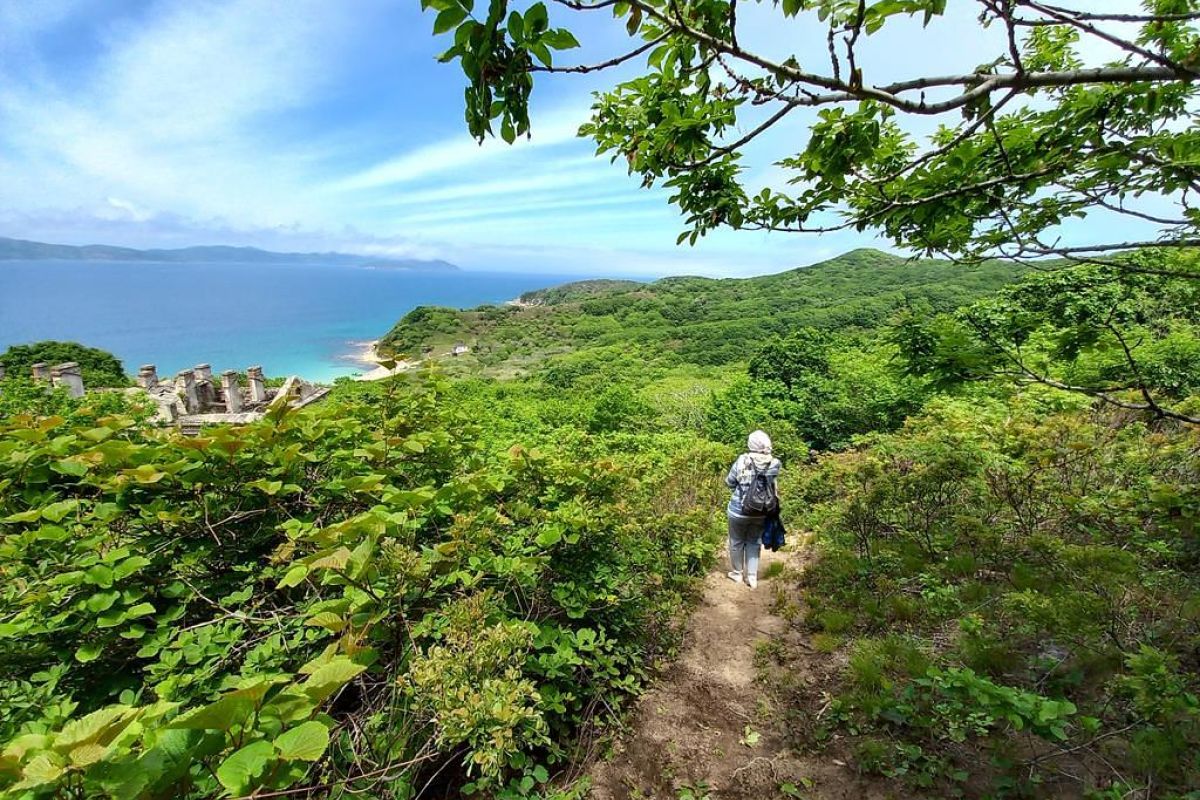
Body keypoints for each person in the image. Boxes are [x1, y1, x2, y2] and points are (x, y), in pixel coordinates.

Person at [724, 430, 781, 589]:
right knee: (754, 542)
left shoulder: (742, 460)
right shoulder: (775, 463)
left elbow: (729, 482)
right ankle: (752, 577)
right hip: (761, 511)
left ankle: (737, 574)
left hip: (738, 510)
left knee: (736, 541)